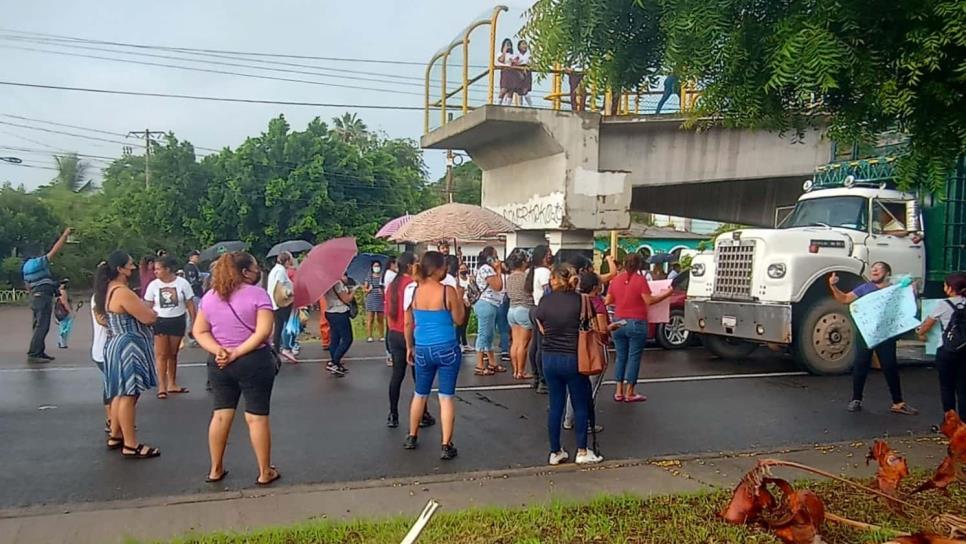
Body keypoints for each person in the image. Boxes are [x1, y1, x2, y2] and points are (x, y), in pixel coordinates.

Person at [193, 252, 280, 486]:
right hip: (254, 360)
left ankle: (215, 468)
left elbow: (199, 331)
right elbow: (263, 332)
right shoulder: (258, 295)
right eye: (254, 266)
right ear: (245, 272)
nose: (257, 270)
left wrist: (220, 351)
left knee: (221, 415)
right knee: (256, 417)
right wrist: (237, 353)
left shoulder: (210, 297)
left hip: (219, 362)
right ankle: (264, 471)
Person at [534, 264, 603, 465]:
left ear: (555, 279)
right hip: (574, 357)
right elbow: (591, 326)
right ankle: (582, 450)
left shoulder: (545, 301)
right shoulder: (582, 301)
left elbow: (539, 323)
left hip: (549, 356)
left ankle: (555, 451)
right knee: (580, 403)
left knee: (555, 406)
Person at [828, 262, 918, 415]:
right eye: (872, 268)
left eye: (879, 268)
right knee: (861, 365)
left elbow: (908, 303)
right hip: (865, 333)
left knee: (890, 366)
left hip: (886, 334)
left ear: (887, 272)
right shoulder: (865, 288)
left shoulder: (895, 288)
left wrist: (912, 289)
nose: (874, 270)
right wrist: (833, 286)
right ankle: (856, 399)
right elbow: (844, 299)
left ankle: (898, 402)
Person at [94, 251, 160, 459]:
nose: (133, 268)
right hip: (128, 346)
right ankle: (131, 445)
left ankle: (116, 435)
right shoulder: (122, 291)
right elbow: (148, 317)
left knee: (119, 393)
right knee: (129, 395)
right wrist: (152, 312)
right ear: (120, 269)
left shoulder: (108, 290)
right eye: (130, 265)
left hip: (116, 344)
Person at [402, 251, 466, 459]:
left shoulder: (414, 291)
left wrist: (409, 346)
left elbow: (409, 322)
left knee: (420, 393)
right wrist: (460, 297)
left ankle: (412, 435)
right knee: (445, 397)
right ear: (438, 269)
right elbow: (459, 320)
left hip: (422, 347)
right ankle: (446, 445)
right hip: (446, 347)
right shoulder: (447, 291)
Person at [606, 253, 673, 403]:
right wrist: (667, 293)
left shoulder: (616, 280)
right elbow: (649, 300)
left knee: (620, 357)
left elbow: (609, 300)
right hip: (636, 322)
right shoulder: (640, 280)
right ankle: (630, 392)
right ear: (639, 265)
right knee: (633, 357)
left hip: (619, 322)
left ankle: (618, 391)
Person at [144, 255, 197, 398]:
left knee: (172, 354)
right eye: (155, 269)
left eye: (158, 269)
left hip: (177, 320)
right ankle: (161, 385)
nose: (155, 272)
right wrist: (149, 319)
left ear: (167, 269)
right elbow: (148, 305)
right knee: (161, 354)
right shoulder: (153, 285)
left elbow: (190, 304)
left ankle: (172, 383)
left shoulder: (182, 283)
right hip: (160, 321)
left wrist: (194, 322)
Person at [564, 271, 610, 432]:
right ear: (596, 287)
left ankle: (569, 419)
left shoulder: (575, 300)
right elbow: (602, 329)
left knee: (575, 385)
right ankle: (586, 422)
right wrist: (613, 327)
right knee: (590, 388)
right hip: (594, 347)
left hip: (575, 345)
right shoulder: (597, 303)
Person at [917, 272, 966, 419]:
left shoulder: (943, 305)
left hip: (946, 350)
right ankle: (964, 424)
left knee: (947, 387)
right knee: (963, 388)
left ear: (951, 289)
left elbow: (926, 326)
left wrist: (920, 333)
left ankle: (950, 422)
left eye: (945, 285)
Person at [23, 227, 71, 363]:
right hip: (42, 298)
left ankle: (39, 351)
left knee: (37, 326)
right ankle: (34, 354)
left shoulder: (26, 267)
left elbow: (27, 284)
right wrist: (65, 235)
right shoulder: (37, 263)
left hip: (35, 298)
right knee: (42, 326)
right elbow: (54, 251)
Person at [473, 246, 506, 375]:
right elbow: (497, 286)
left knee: (489, 335)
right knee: (483, 334)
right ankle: (479, 365)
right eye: (496, 256)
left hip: (491, 304)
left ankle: (492, 362)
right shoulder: (486, 269)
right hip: (486, 303)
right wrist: (498, 270)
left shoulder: (485, 269)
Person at [526, 245, 554, 393]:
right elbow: (548, 291)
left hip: (534, 308)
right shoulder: (544, 272)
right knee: (542, 346)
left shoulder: (534, 271)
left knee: (535, 345)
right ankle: (543, 380)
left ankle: (536, 377)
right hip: (542, 309)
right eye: (549, 253)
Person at [505, 249, 534, 380]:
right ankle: (521, 371)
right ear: (522, 263)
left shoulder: (509, 277)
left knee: (515, 343)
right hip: (524, 309)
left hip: (511, 310)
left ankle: (515, 370)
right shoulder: (526, 277)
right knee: (523, 344)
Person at [266, 252, 296, 362]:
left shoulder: (274, 270)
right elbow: (281, 287)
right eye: (290, 259)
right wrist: (291, 292)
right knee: (288, 325)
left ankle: (277, 350)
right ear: (287, 260)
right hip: (282, 302)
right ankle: (287, 348)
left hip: (274, 303)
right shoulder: (281, 271)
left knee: (278, 327)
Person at [324, 274, 355, 376]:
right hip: (340, 312)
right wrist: (353, 291)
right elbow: (346, 299)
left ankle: (335, 364)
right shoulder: (337, 283)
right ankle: (334, 362)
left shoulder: (325, 282)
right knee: (347, 339)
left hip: (330, 311)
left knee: (335, 338)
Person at [90, 290, 111, 433]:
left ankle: (115, 419)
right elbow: (100, 319)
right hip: (104, 350)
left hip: (112, 348)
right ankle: (111, 419)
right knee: (113, 386)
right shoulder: (99, 297)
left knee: (116, 386)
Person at [183, 250, 205, 346]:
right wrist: (200, 282)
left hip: (197, 293)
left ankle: (194, 336)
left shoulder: (195, 267)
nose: (198, 258)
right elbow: (192, 281)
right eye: (196, 257)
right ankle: (190, 337)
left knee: (195, 316)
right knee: (192, 316)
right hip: (193, 293)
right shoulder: (190, 268)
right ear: (191, 257)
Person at [364, 260, 386, 343]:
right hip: (371, 298)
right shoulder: (369, 277)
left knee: (380, 319)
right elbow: (364, 289)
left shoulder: (382, 277)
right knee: (370, 319)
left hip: (380, 299)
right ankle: (369, 336)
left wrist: (382, 291)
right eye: (375, 266)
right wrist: (368, 290)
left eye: (378, 266)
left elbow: (385, 287)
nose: (376, 268)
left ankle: (381, 335)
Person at [456, 261, 472, 352]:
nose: (463, 270)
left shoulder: (469, 278)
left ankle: (465, 342)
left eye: (464, 268)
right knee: (460, 324)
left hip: (469, 302)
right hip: (461, 302)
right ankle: (458, 342)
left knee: (465, 324)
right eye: (461, 269)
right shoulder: (457, 280)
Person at [496, 38, 517, 106]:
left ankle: (507, 105)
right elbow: (501, 60)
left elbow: (516, 62)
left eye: (510, 45)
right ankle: (498, 103)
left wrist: (514, 61)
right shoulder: (500, 53)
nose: (509, 46)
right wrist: (504, 51)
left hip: (512, 72)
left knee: (511, 89)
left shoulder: (512, 55)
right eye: (507, 44)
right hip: (505, 71)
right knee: (504, 88)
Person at [55, 279, 74, 349]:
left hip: (59, 312)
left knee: (63, 326)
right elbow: (64, 302)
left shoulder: (58, 292)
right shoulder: (62, 292)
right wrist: (70, 311)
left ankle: (62, 342)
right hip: (63, 312)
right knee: (65, 327)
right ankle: (62, 343)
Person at [514, 39, 533, 107]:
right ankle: (520, 105)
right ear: (519, 46)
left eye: (525, 44)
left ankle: (531, 105)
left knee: (525, 89)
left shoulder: (529, 55)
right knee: (519, 89)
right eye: (523, 44)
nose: (525, 46)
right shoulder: (517, 54)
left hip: (527, 71)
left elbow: (532, 63)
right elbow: (514, 63)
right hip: (519, 71)